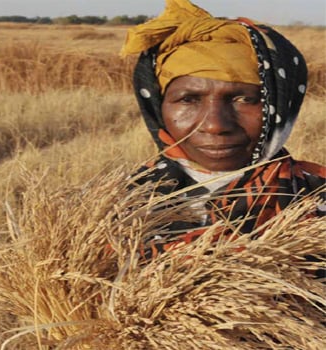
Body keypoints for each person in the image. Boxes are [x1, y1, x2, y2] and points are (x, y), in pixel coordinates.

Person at [120, 0, 325, 260]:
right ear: (157, 109)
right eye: (188, 99)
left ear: (279, 108)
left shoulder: (317, 198)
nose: (216, 125)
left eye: (244, 99)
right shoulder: (115, 210)